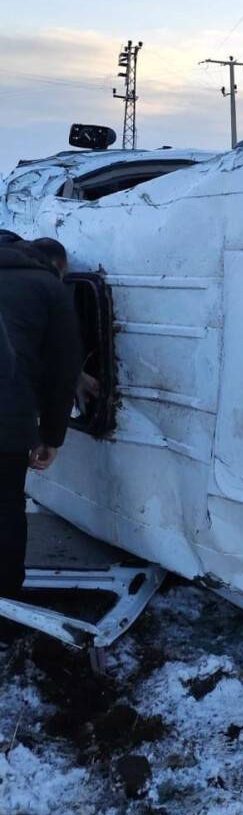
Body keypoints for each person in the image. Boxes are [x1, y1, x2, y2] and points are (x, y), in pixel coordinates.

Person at [0, 236, 82, 600]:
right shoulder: (49, 287)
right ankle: (5, 607)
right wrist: (51, 435)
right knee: (5, 508)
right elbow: (61, 370)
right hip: (8, 420)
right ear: (55, 264)